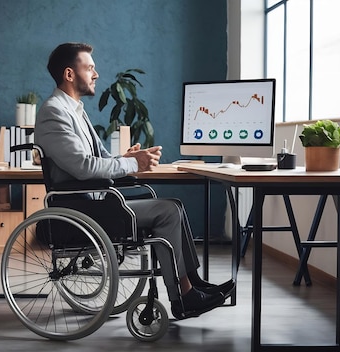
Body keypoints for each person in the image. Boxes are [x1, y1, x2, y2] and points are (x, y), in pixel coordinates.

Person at [34, 42, 234, 319]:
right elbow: (82, 166)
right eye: (89, 67)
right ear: (69, 74)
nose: (96, 74)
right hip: (80, 210)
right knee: (168, 210)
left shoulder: (75, 110)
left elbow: (99, 157)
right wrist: (132, 164)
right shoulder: (54, 112)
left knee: (173, 205)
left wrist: (124, 158)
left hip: (93, 204)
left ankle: (194, 284)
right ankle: (183, 297)